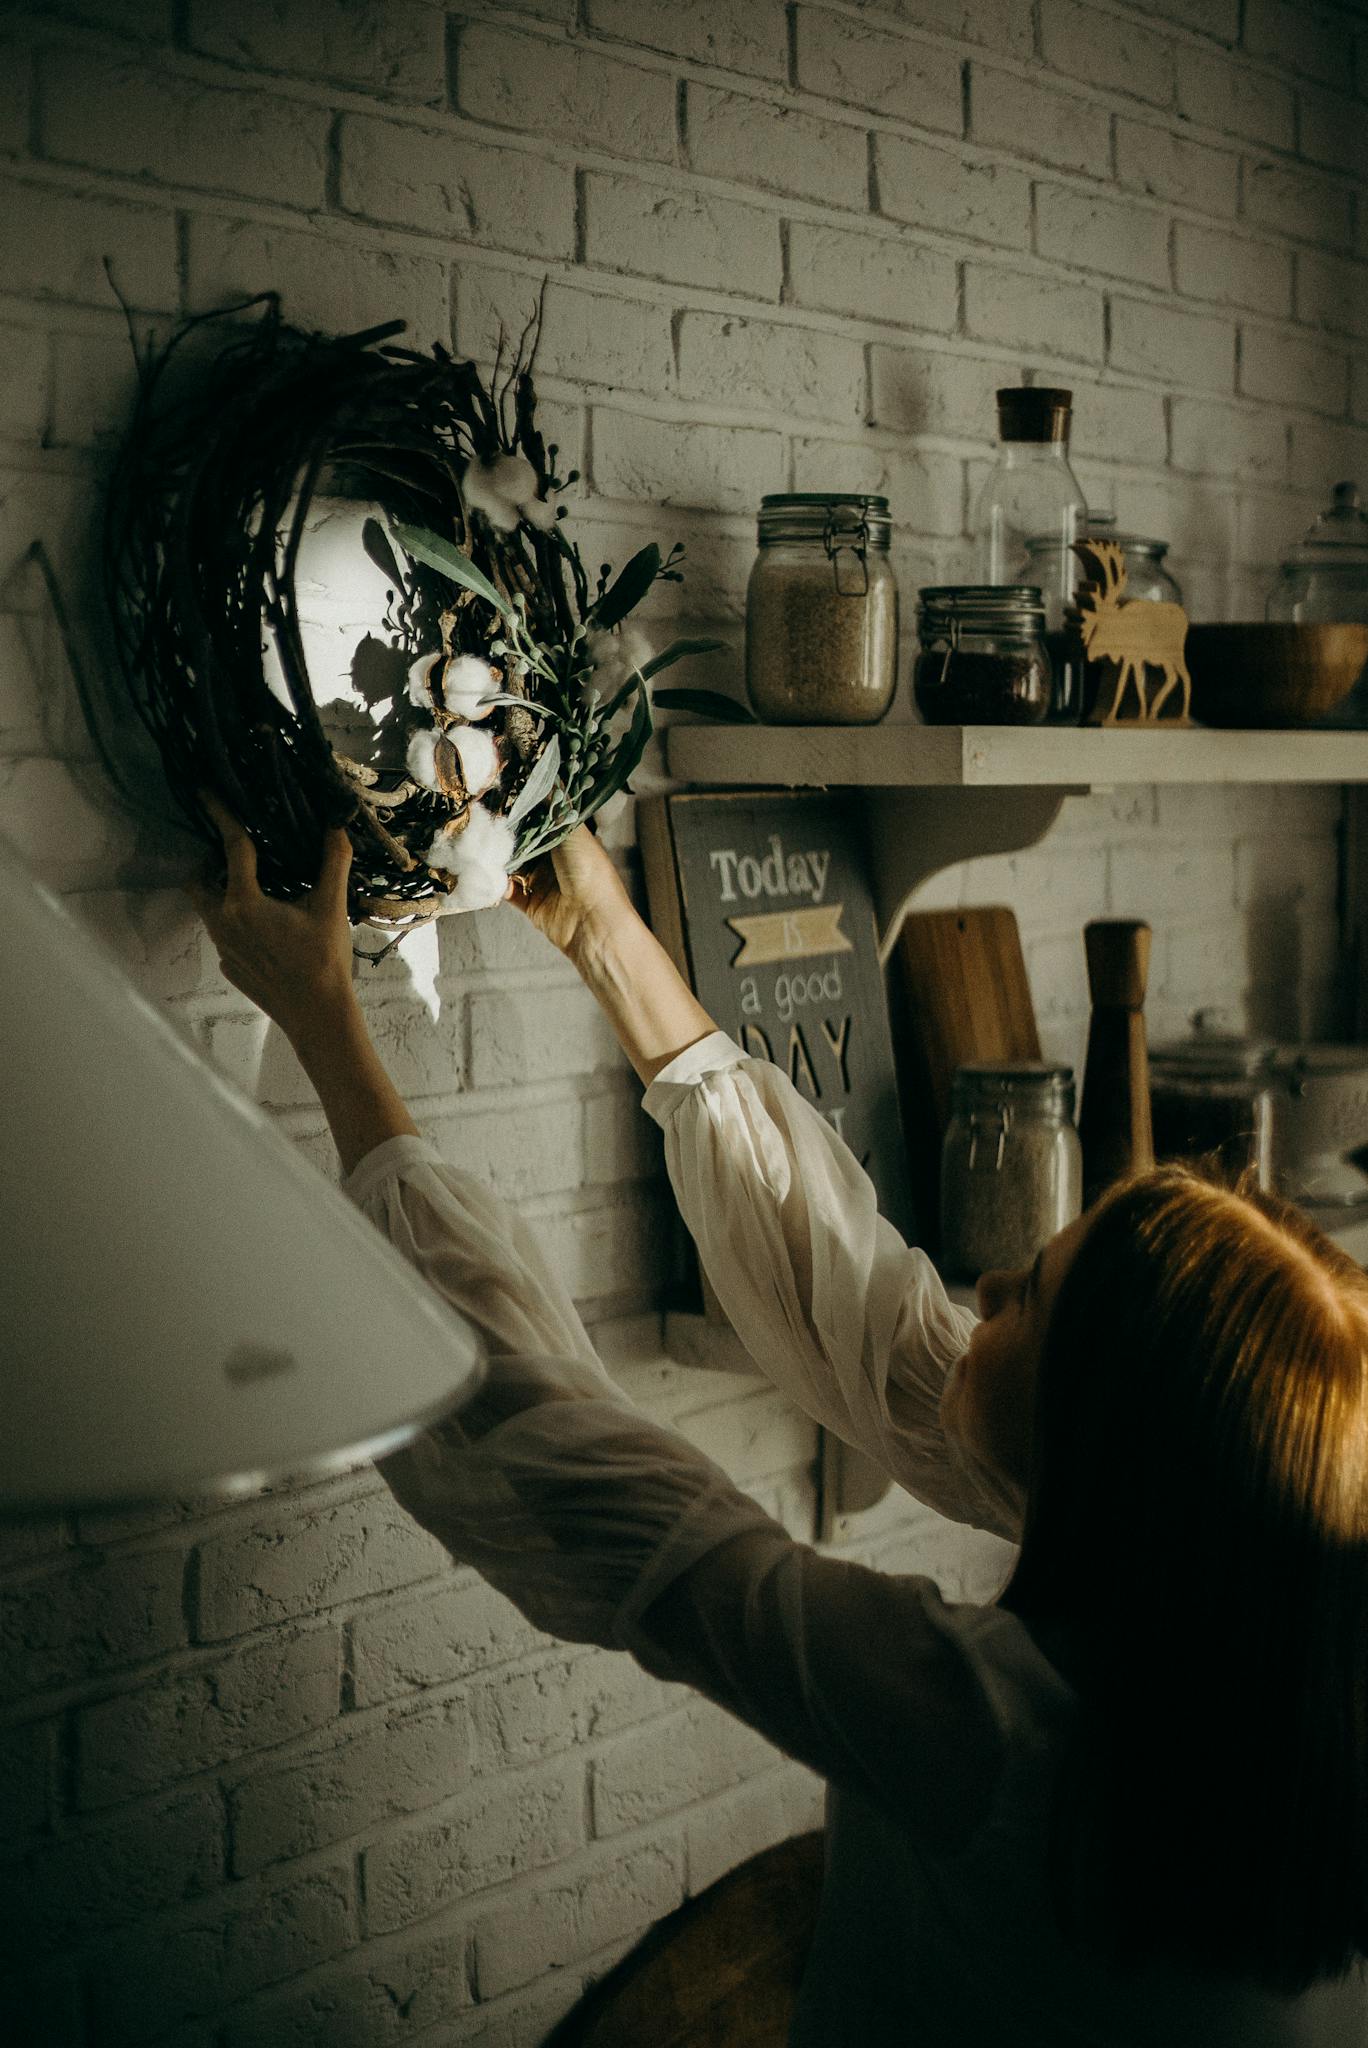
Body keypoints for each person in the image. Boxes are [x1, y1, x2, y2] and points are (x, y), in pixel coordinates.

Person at [190, 802, 1368, 2046]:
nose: (989, 1292)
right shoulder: (1256, 1633)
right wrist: (607, 935)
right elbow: (880, 1326)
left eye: (1034, 1299)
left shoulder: (988, 1731)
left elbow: (577, 1468)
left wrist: (326, 1025)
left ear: (1108, 1448)